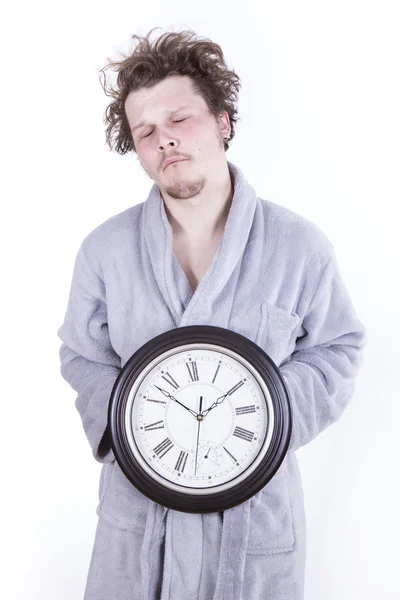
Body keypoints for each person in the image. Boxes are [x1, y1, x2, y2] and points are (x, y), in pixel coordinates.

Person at [57, 27, 367, 600]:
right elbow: (81, 353)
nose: (165, 141)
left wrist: (265, 416)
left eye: (181, 120)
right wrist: (133, 429)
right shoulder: (104, 251)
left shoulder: (299, 247)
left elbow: (339, 348)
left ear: (223, 122)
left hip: (254, 517)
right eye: (146, 131)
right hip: (139, 516)